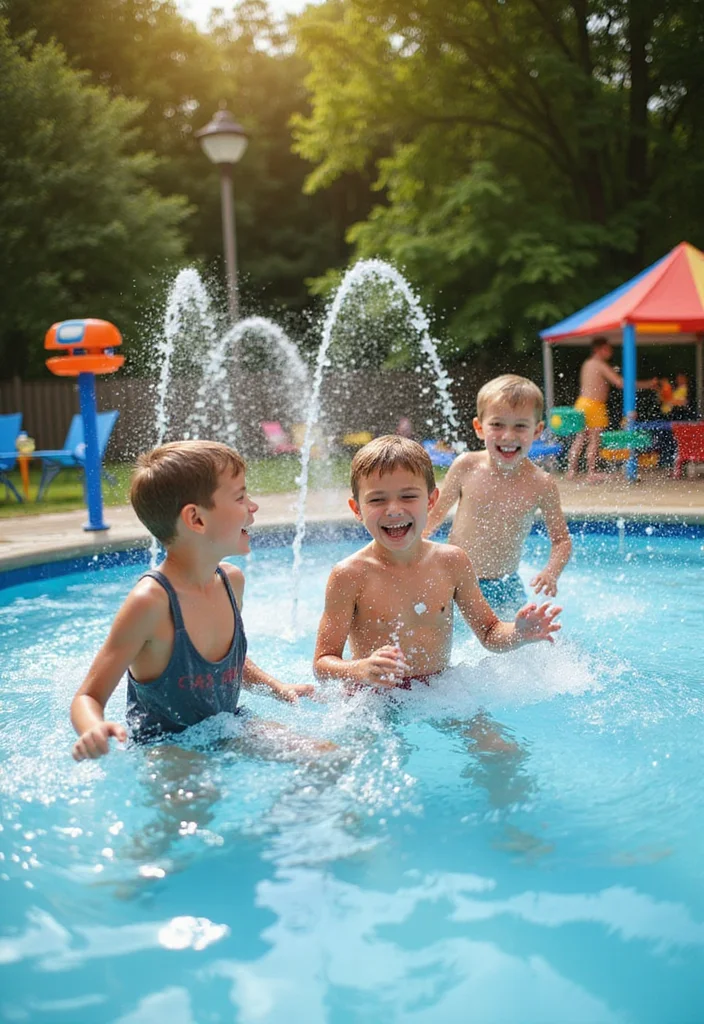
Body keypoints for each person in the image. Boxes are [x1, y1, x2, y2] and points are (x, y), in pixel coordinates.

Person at [71, 440, 318, 761]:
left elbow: (225, 665)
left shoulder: (231, 582)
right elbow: (88, 695)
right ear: (196, 519)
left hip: (228, 724)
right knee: (197, 803)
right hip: (166, 745)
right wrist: (93, 728)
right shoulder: (151, 603)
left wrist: (275, 686)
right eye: (241, 497)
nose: (253, 506)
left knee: (329, 759)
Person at [313, 435, 561, 689]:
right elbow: (322, 663)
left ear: (431, 501)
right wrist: (359, 668)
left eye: (408, 496)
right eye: (377, 500)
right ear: (357, 509)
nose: (394, 509)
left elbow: (489, 632)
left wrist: (518, 634)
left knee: (489, 730)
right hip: (375, 698)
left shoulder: (451, 562)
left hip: (438, 691)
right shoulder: (350, 575)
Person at [423, 374, 572, 612]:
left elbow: (561, 540)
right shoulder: (465, 466)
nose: (508, 436)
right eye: (497, 425)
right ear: (479, 428)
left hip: (505, 584)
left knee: (521, 640)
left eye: (520, 426)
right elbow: (434, 515)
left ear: (537, 431)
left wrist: (551, 573)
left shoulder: (542, 484)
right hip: (455, 579)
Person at [567, 336, 657, 480]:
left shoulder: (587, 363)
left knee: (580, 438)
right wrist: (647, 384)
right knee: (594, 440)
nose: (610, 351)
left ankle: (571, 470)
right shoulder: (600, 364)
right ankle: (591, 472)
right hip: (595, 406)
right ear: (598, 350)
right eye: (607, 349)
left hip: (582, 403)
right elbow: (620, 383)